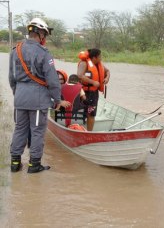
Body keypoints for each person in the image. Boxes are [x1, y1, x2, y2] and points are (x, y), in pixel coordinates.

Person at [9, 18, 71, 173]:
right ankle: (34, 165)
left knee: (19, 129)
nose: (46, 38)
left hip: (20, 97)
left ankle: (15, 163)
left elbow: (11, 78)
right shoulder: (44, 53)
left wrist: (17, 94)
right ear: (40, 33)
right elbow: (53, 80)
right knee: (37, 131)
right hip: (37, 98)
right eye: (45, 34)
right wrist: (57, 100)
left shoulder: (15, 50)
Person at [77, 48, 110, 131]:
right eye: (100, 56)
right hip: (83, 92)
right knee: (81, 111)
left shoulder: (99, 65)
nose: (101, 58)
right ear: (94, 58)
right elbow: (80, 76)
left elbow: (108, 71)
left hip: (94, 93)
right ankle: (78, 128)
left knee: (91, 114)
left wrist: (107, 78)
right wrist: (93, 82)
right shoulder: (84, 63)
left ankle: (89, 132)